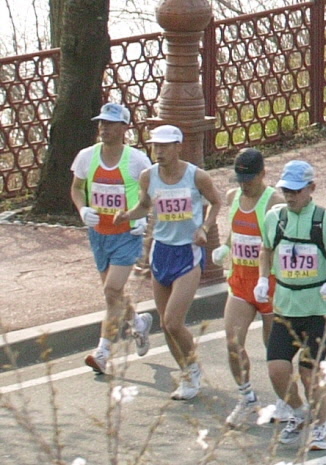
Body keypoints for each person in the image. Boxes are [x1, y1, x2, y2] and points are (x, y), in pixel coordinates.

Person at [253, 159, 326, 452]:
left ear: (311, 188)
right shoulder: (275, 218)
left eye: (297, 191)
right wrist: (263, 279)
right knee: (276, 369)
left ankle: (321, 427)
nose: (290, 196)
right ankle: (299, 412)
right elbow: (266, 248)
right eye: (286, 190)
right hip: (285, 309)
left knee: (309, 373)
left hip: (316, 311)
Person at [136, 123, 220, 400]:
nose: (158, 151)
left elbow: (216, 202)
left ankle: (192, 368)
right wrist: (127, 218)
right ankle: (186, 372)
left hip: (187, 252)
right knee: (164, 323)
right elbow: (145, 208)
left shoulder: (196, 176)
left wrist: (204, 228)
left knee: (173, 322)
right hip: (161, 250)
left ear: (177, 147)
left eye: (164, 146)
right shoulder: (148, 177)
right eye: (155, 146)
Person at [71, 101, 152, 377]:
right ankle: (139, 323)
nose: (104, 128)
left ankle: (103, 352)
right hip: (99, 235)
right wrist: (82, 209)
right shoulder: (86, 156)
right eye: (102, 123)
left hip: (126, 235)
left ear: (124, 128)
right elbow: (77, 188)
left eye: (110, 124)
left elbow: (149, 194)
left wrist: (140, 217)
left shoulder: (137, 160)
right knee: (114, 292)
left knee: (110, 292)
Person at [220, 148, 278, 426]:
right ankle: (246, 397)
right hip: (240, 282)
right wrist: (225, 246)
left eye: (250, 179)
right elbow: (236, 228)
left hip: (270, 284)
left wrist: (269, 278)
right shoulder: (233, 197)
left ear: (263, 174)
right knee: (233, 343)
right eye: (240, 179)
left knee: (275, 350)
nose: (244, 185)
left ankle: (284, 400)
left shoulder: (274, 202)